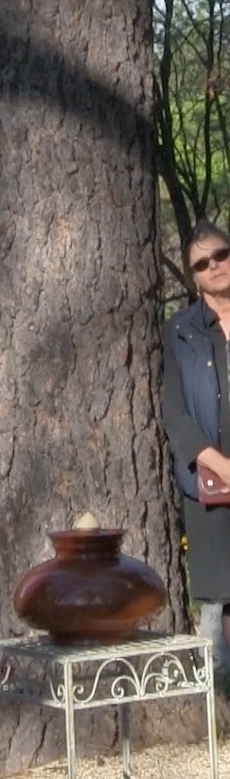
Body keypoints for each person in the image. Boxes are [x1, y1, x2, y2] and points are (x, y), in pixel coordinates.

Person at [163, 219, 230, 656]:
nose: (215, 267)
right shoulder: (180, 330)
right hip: (213, 480)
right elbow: (175, 411)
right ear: (193, 276)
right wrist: (220, 465)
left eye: (221, 255)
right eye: (202, 264)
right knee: (227, 599)